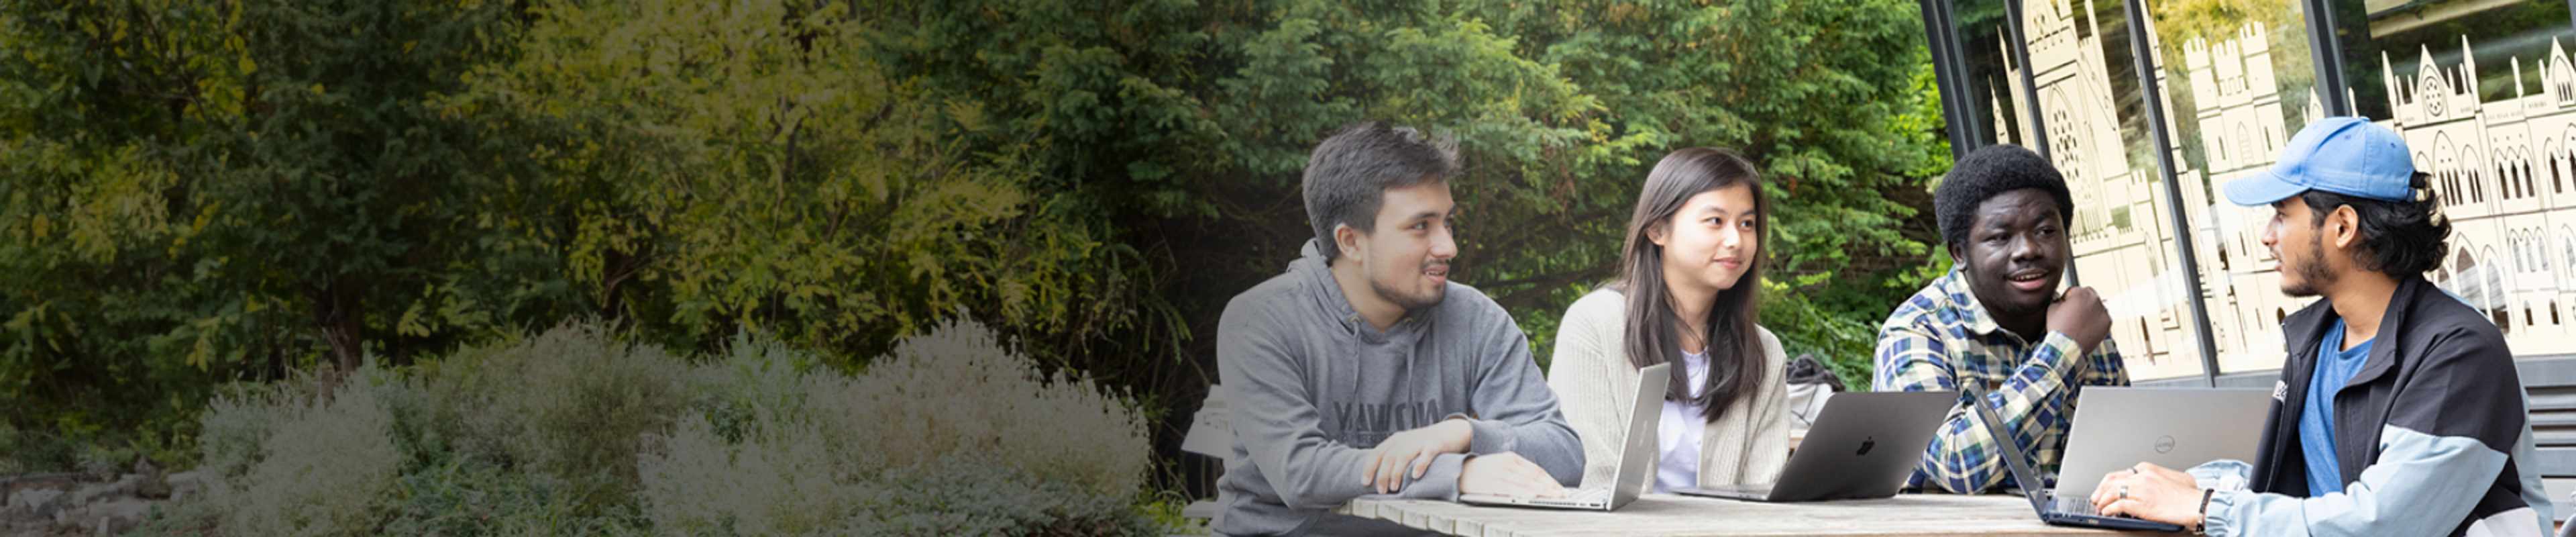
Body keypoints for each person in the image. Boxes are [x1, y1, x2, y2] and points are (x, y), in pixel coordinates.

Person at [2089, 117, 2553, 536]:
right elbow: (2309, 492)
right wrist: (2194, 483)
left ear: (2344, 226)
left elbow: (2384, 523)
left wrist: (2206, 507)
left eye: (2282, 214)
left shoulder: (2459, 353)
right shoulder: (2318, 340)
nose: (2267, 235)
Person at [1212, 121, 1585, 536]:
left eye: (1448, 222)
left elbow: (1564, 452)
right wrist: (1459, 474)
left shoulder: (1477, 320)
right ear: (1351, 241)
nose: (1448, 247)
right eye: (1421, 226)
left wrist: (1461, 433)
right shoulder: (1263, 319)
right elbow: (1302, 472)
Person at [1873, 144, 2127, 494]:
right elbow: (1957, 465)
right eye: (2000, 237)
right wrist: (2064, 352)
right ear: (1960, 253)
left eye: (2045, 231)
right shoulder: (1917, 331)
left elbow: (2126, 458)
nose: (2028, 250)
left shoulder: (2085, 326)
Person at [1547, 148, 1790, 493]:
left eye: (1746, 224)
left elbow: (1766, 488)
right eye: (1715, 221)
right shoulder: (1595, 325)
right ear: (1658, 230)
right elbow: (1592, 479)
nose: (1735, 240)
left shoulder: (1763, 350)